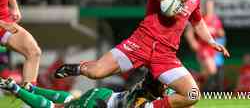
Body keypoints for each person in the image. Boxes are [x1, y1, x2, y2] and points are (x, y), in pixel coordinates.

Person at [55, 0, 230, 108]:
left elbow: (198, 23)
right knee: (96, 73)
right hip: (140, 43)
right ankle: (77, 67)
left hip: (165, 56)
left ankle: (148, 106)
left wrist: (211, 42)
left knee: (193, 95)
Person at [0, 72, 165, 108]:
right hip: (98, 104)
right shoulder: (147, 105)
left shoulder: (143, 92)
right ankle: (15, 88)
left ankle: (32, 89)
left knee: (68, 102)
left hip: (103, 94)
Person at [185, 0, 226, 91]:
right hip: (203, 48)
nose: (209, 8)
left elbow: (221, 32)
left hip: (212, 49)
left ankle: (196, 79)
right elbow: (189, 31)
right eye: (207, 5)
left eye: (210, 6)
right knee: (212, 70)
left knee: (205, 72)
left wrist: (218, 32)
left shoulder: (215, 20)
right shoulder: (201, 18)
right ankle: (207, 89)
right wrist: (192, 42)